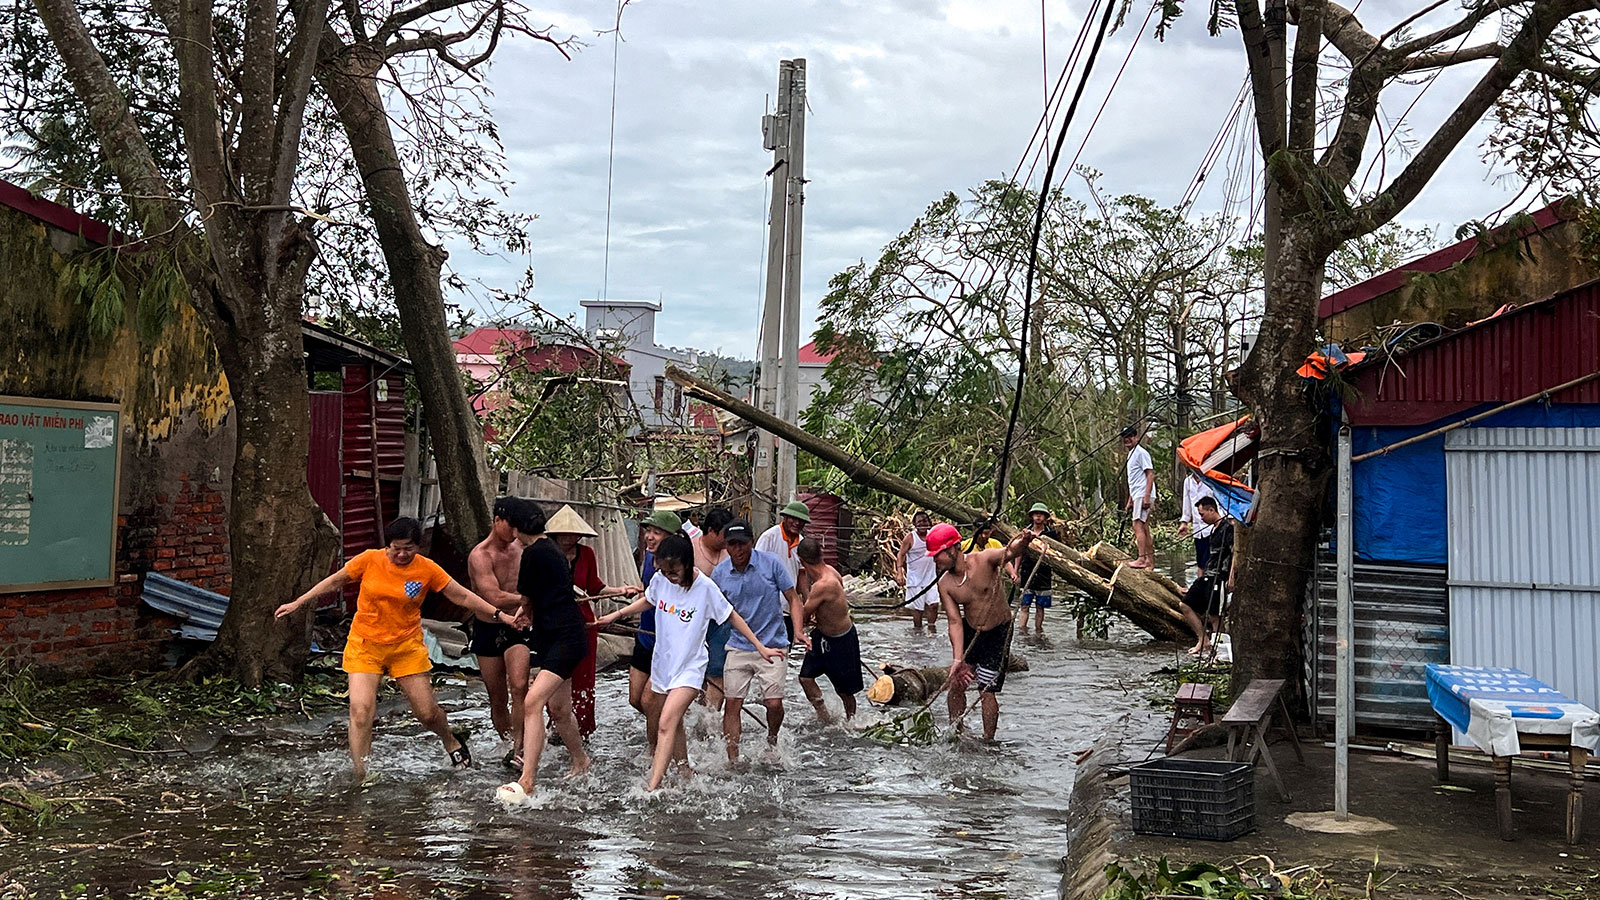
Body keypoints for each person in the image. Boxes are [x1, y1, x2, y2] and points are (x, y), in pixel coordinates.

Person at [275, 516, 509, 780]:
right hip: (365, 645)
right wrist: (299, 602)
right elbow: (334, 581)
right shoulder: (369, 560)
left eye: (407, 548)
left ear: (418, 546)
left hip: (406, 648)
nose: (400, 554)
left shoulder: (427, 569)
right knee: (360, 710)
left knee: (427, 713)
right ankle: (361, 773)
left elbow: (463, 595)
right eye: (394, 547)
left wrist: (500, 615)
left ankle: (451, 740)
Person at [598, 534, 782, 790]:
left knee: (665, 722)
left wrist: (759, 646)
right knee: (675, 723)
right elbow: (649, 600)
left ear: (687, 563)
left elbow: (732, 616)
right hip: (663, 665)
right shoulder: (661, 580)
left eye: (674, 571)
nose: (669, 576)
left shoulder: (705, 588)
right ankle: (685, 771)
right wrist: (615, 615)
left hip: (690, 669)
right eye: (664, 570)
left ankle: (653, 787)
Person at [509, 501, 597, 795]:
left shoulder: (533, 553)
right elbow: (540, 596)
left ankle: (527, 778)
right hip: (552, 634)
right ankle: (581, 760)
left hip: (564, 636)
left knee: (533, 702)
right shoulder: (551, 550)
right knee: (559, 709)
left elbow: (526, 596)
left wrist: (523, 611)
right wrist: (528, 612)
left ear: (517, 528)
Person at [927, 521, 1039, 741]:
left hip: (998, 632)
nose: (934, 560)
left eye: (937, 554)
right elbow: (954, 622)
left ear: (953, 548)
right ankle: (955, 733)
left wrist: (1024, 540)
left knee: (986, 690)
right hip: (970, 631)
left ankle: (988, 740)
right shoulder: (945, 584)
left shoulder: (983, 559)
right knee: (958, 683)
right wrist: (958, 658)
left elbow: (1010, 551)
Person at [713, 518, 808, 762]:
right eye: (732, 545)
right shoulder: (720, 574)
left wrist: (798, 630)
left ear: (751, 543)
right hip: (738, 645)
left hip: (774, 643)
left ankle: (772, 740)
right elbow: (709, 609)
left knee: (774, 703)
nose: (738, 550)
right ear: (726, 546)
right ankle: (732, 758)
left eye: (742, 544)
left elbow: (793, 597)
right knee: (732, 703)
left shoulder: (771, 564)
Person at [548, 504, 632, 736]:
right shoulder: (546, 554)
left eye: (572, 533)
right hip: (554, 624)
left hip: (584, 623)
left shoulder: (587, 554)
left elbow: (595, 586)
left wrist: (621, 591)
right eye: (563, 533)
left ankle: (582, 728)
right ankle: (556, 723)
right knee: (553, 676)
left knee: (584, 678)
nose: (568, 538)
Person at [465, 498, 530, 755]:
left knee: (519, 685)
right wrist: (528, 598)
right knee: (497, 696)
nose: (515, 533)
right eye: (510, 527)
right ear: (497, 521)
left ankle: (521, 745)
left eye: (518, 528)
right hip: (488, 626)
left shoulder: (523, 549)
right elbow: (493, 597)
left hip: (519, 626)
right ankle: (507, 743)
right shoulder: (480, 556)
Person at [628, 509, 683, 754]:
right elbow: (650, 593)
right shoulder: (649, 558)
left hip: (666, 644)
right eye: (648, 531)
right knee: (635, 699)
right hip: (645, 636)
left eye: (657, 533)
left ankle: (656, 752)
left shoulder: (678, 569)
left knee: (650, 701)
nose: (649, 537)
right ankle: (670, 723)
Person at [795, 538, 862, 723]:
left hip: (841, 639)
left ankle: (851, 721)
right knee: (805, 678)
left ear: (801, 560)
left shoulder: (824, 584)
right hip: (823, 636)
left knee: (844, 690)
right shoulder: (830, 571)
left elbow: (804, 613)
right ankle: (823, 716)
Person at [1178, 496, 1236, 655]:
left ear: (1212, 510)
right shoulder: (1213, 529)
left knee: (1215, 615)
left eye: (1202, 514)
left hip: (1220, 576)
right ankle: (1203, 639)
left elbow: (1235, 553)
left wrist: (1231, 578)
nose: (1201, 518)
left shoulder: (1227, 528)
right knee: (1185, 605)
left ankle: (1219, 651)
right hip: (1207, 575)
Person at [692, 506, 735, 711]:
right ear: (710, 531)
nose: (727, 542)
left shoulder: (732, 552)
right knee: (695, 671)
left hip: (722, 620)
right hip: (694, 619)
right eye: (724, 536)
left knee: (718, 669)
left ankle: (711, 719)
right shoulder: (690, 549)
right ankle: (699, 709)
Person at [1012, 503, 1060, 632]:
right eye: (1036, 513)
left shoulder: (1051, 534)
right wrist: (1015, 571)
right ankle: (1022, 631)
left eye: (1041, 514)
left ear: (1045, 517)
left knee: (1040, 606)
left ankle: (1038, 631)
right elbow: (1019, 552)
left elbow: (1057, 555)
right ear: (1032, 516)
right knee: (1024, 605)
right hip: (1027, 572)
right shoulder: (1025, 532)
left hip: (1044, 574)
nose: (1038, 516)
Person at [894, 511, 940, 632]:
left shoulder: (932, 535)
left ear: (929, 523)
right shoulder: (910, 538)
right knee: (918, 610)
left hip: (931, 578)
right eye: (919, 522)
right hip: (915, 580)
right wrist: (900, 573)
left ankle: (931, 629)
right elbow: (901, 555)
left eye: (925, 521)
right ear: (914, 524)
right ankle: (918, 632)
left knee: (934, 605)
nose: (922, 524)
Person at [1121, 425, 1156, 569]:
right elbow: (1134, 480)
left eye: (1130, 436)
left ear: (1136, 437)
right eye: (1125, 437)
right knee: (1144, 527)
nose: (1127, 439)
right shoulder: (1131, 455)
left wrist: (1146, 496)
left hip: (1143, 494)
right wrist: (1130, 500)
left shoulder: (1141, 453)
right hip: (1137, 494)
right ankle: (1149, 561)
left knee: (1137, 525)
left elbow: (1150, 474)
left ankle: (1141, 559)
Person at [1178, 472, 1217, 574]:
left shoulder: (1211, 477)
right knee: (1200, 562)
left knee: (1209, 561)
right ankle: (1200, 586)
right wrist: (1184, 522)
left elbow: (1220, 499)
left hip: (1212, 527)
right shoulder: (1188, 481)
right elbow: (1187, 502)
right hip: (1198, 528)